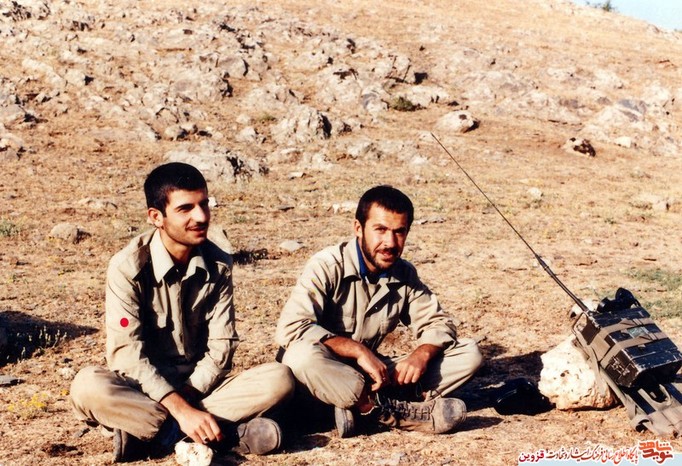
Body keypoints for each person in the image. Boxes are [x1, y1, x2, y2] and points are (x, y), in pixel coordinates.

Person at [70, 162, 295, 462]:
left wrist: (188, 401)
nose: (201, 217)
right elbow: (127, 356)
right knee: (87, 386)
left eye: (204, 204)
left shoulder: (218, 264)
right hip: (145, 392)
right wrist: (177, 407)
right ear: (156, 217)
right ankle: (227, 435)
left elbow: (222, 347)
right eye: (185, 208)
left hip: (200, 391)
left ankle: (157, 436)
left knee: (279, 378)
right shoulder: (127, 268)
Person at [276, 185, 483, 437]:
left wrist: (421, 354)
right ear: (358, 228)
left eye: (399, 232)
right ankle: (385, 411)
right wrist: (357, 350)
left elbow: (438, 323)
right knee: (299, 356)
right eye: (381, 230)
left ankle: (358, 408)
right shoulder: (327, 266)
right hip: (323, 375)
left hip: (373, 376)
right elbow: (292, 329)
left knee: (469, 354)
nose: (390, 243)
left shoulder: (403, 273)